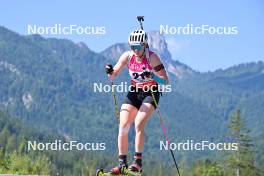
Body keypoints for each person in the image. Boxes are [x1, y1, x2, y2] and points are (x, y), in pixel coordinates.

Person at [105, 29, 169, 174]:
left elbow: (165, 82)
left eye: (137, 47)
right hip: (134, 93)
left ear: (144, 45)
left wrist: (153, 75)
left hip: (150, 93)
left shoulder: (152, 58)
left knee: (138, 123)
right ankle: (122, 164)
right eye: (132, 46)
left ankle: (138, 162)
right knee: (123, 125)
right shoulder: (128, 56)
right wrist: (110, 71)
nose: (134, 49)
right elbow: (114, 74)